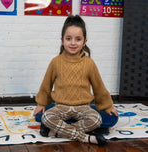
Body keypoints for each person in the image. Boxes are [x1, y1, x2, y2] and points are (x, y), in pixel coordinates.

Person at [33, 15, 118, 146]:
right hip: (60, 107)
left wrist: (107, 106)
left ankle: (56, 132)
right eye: (68, 39)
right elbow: (46, 85)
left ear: (84, 41)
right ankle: (86, 137)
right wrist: (42, 103)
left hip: (83, 108)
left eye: (78, 39)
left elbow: (99, 87)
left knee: (101, 118)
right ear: (62, 40)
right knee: (44, 117)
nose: (73, 43)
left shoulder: (89, 63)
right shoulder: (56, 62)